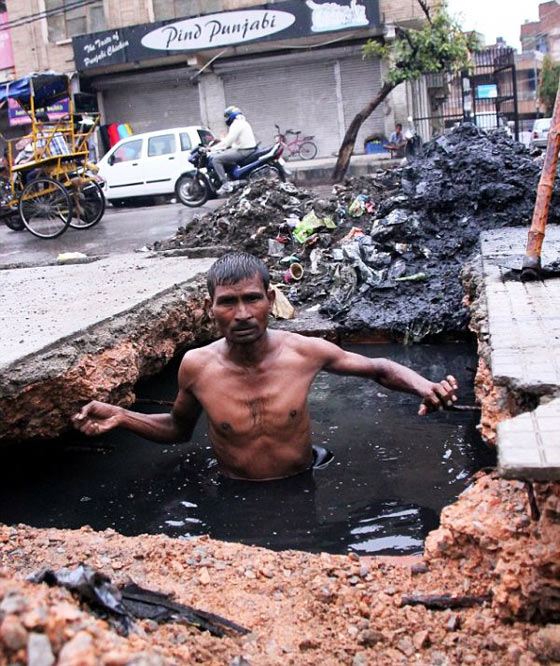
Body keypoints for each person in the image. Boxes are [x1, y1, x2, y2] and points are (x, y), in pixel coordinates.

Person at [73, 252, 459, 482]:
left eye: (252, 299)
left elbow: (378, 367)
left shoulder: (304, 352)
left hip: (303, 482)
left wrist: (423, 385)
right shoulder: (196, 366)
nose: (241, 314)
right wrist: (122, 416)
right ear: (210, 308)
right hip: (235, 491)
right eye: (227, 302)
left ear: (270, 299)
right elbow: (178, 429)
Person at [210, 106, 257, 196]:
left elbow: (228, 142)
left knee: (216, 159)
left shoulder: (236, 124)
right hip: (247, 149)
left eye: (227, 116)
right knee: (225, 154)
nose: (226, 119)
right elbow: (233, 141)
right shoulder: (242, 122)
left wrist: (212, 148)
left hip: (244, 151)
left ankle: (225, 184)